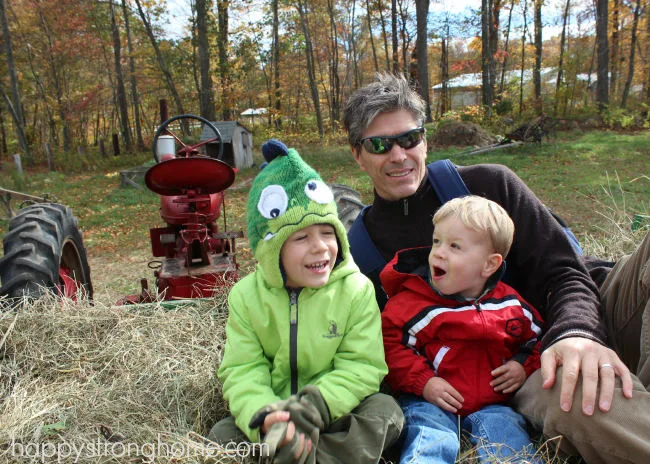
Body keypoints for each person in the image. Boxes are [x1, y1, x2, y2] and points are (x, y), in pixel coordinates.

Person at [343, 72, 650, 464]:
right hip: (523, 371)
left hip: (588, 309)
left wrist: (576, 333)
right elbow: (386, 347)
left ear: (425, 139)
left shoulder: (489, 185)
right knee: (584, 400)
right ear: (357, 153)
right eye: (380, 144)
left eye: (409, 138)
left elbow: (565, 270)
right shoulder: (362, 255)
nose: (399, 155)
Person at [208, 139, 403, 463]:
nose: (321, 248)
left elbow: (363, 366)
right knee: (222, 433)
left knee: (386, 412)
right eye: (301, 238)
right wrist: (267, 416)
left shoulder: (355, 290)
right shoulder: (245, 297)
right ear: (271, 250)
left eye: (328, 233)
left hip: (336, 410)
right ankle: (298, 451)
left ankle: (304, 458)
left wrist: (314, 407)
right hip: (277, 415)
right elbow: (242, 370)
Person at [381, 195, 544, 463]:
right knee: (430, 435)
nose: (439, 252)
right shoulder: (413, 303)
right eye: (437, 241)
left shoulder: (511, 305)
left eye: (455, 246)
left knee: (506, 436)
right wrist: (425, 382)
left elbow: (537, 339)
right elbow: (390, 346)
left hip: (494, 403)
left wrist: (521, 366)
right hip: (431, 401)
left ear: (489, 264)